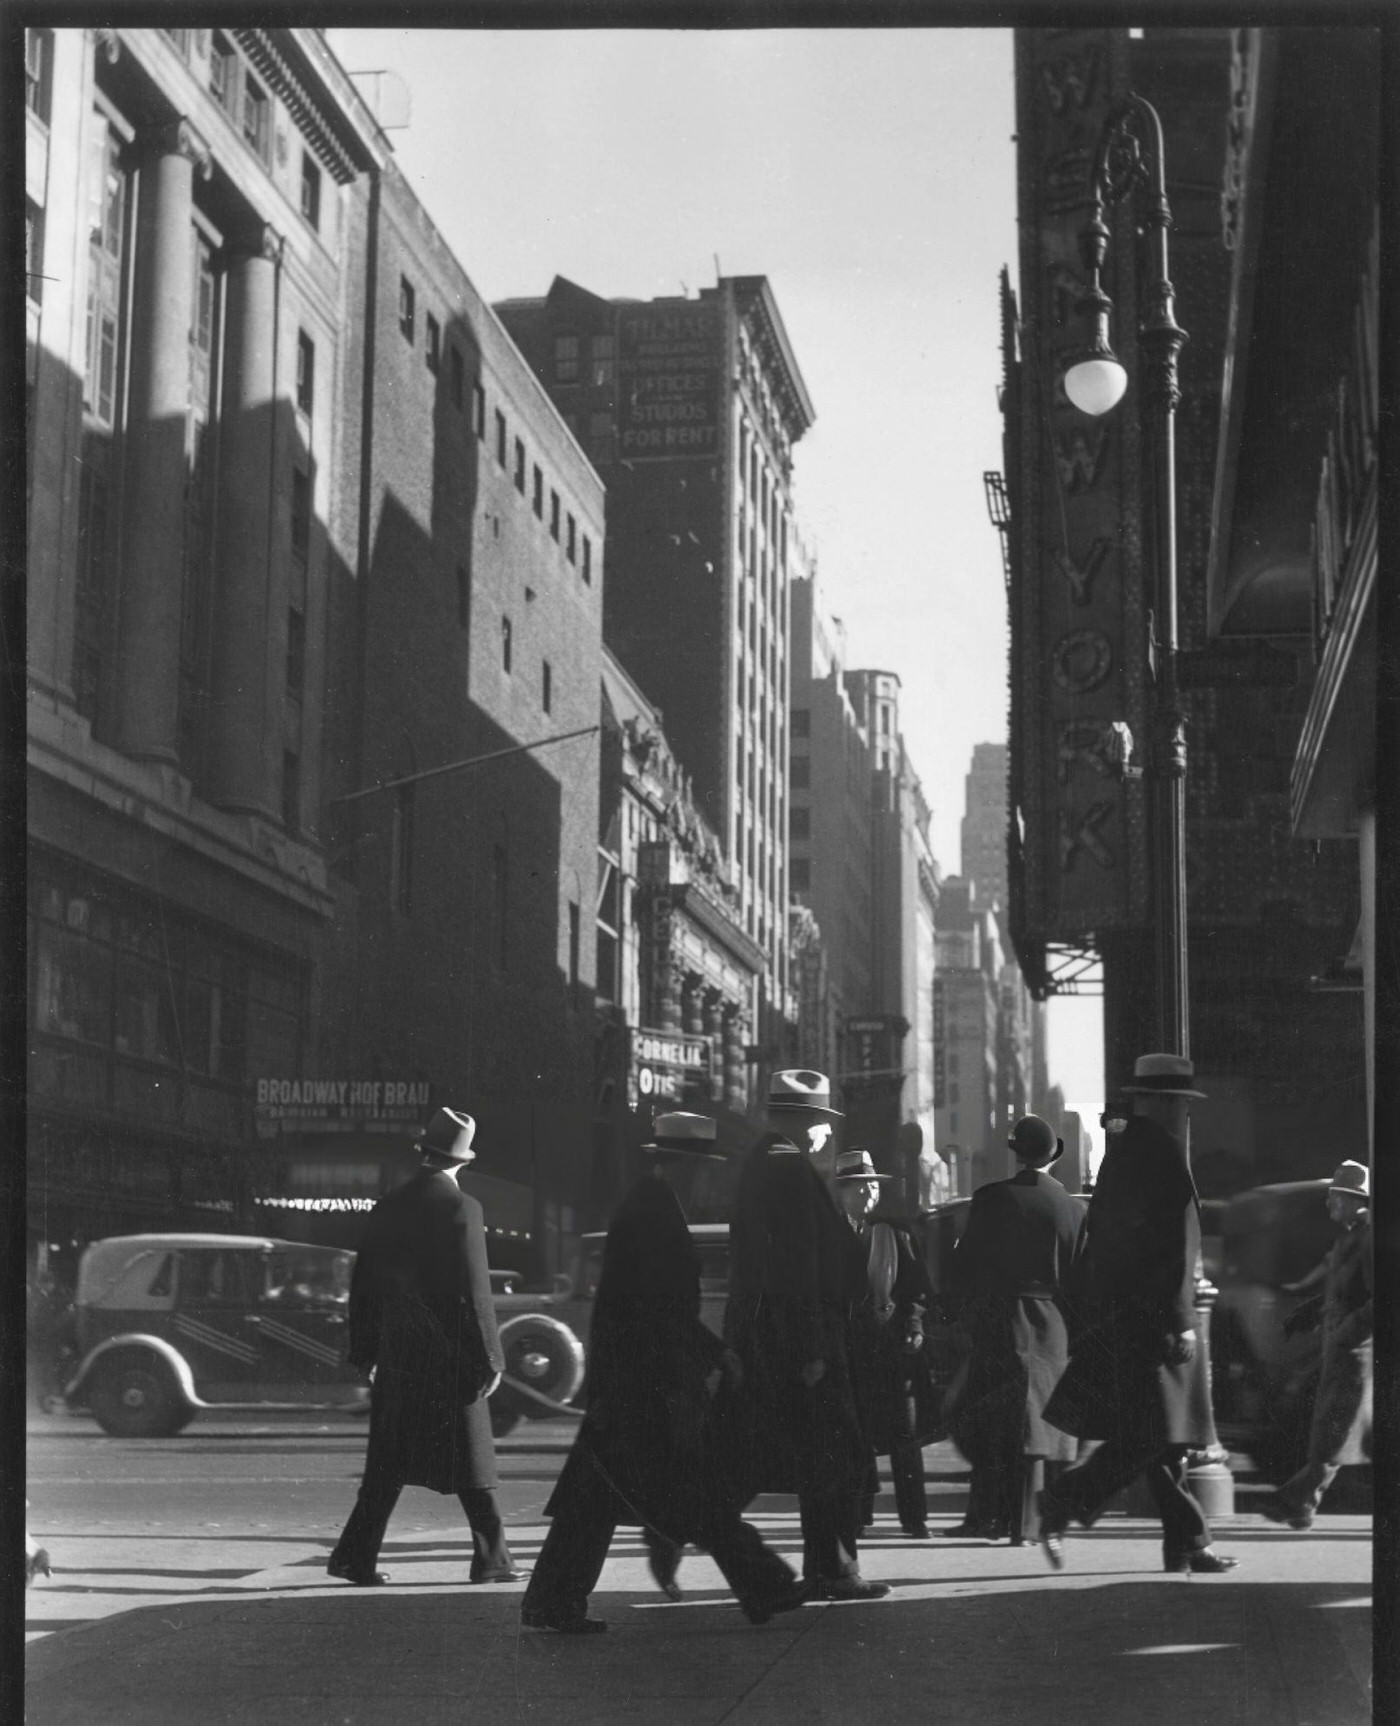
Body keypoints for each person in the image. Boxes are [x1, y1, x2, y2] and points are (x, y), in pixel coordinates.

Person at [521, 1112, 804, 1634]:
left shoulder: (650, 1205)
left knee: (596, 1500)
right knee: (690, 1494)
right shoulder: (653, 1213)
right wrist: (713, 1354)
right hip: (644, 1384)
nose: (707, 1179)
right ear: (686, 1165)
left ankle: (552, 1600)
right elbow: (659, 1309)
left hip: (632, 1384)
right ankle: (767, 1584)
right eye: (703, 1167)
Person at [1038, 1054, 1239, 1576]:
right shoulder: (1161, 1152)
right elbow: (1171, 1248)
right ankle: (1063, 1500)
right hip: (1157, 1321)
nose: (1184, 1113)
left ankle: (1188, 1543)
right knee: (1155, 1436)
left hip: (1132, 1316)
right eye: (1180, 1102)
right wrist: (1181, 1319)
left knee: (1164, 1435)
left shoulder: (1126, 1152)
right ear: (1164, 1103)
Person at [327, 1107, 519, 1587]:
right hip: (450, 1355)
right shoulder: (463, 1208)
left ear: (425, 1152)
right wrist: (491, 1357)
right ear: (462, 1160)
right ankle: (492, 1559)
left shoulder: (388, 1205)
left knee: (387, 1465)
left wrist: (366, 1351)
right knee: (474, 1462)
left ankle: (354, 1556)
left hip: (400, 1354)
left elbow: (364, 1287)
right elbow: (474, 1292)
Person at [718, 1071, 890, 1601]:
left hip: (776, 1335)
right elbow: (799, 1265)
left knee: (776, 1455)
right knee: (830, 1456)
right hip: (803, 1341)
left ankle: (828, 1567)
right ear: (802, 1121)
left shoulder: (767, 1162)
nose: (827, 1131)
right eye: (821, 1120)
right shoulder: (788, 1168)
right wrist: (813, 1348)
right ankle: (832, 1570)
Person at [943, 1115, 1087, 1545]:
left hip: (999, 1316)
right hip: (1051, 1321)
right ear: (1053, 1156)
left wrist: (956, 1311)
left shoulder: (991, 1198)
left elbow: (965, 1262)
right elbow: (1082, 1278)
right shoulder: (1072, 1209)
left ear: (1016, 1153)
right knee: (1037, 1423)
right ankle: (1027, 1523)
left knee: (989, 1417)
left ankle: (985, 1516)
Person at [1261, 1160, 1372, 1529]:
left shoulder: (1369, 1239)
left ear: (1355, 1200)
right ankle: (1300, 1503)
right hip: (1344, 1349)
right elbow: (1343, 1290)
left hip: (1356, 1352)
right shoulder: (1352, 1236)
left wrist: (1345, 1333)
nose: (1329, 1205)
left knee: (1334, 1431)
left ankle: (1298, 1502)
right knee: (1335, 1430)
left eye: (1335, 1197)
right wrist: (1308, 1312)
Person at [831, 1147, 934, 1540]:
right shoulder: (830, 1237)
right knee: (855, 1433)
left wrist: (914, 1324)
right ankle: (858, 1515)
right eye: (858, 1186)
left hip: (892, 1349)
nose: (867, 1192)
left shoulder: (894, 1234)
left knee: (905, 1436)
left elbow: (916, 1291)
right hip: (849, 1349)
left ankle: (914, 1518)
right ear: (841, 1192)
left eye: (872, 1185)